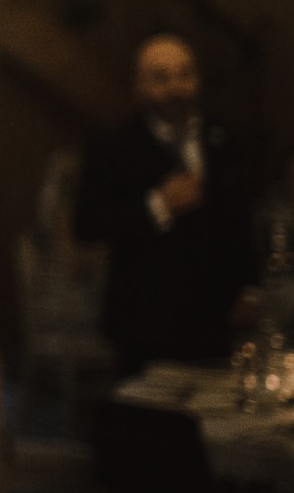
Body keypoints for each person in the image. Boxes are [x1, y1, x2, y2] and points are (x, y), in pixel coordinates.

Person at [74, 31, 256, 374]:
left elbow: (239, 219)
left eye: (184, 75)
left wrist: (249, 288)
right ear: (140, 86)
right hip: (144, 320)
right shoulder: (113, 146)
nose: (175, 88)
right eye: (161, 78)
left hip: (215, 321)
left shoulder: (221, 140)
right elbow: (87, 223)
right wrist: (157, 206)